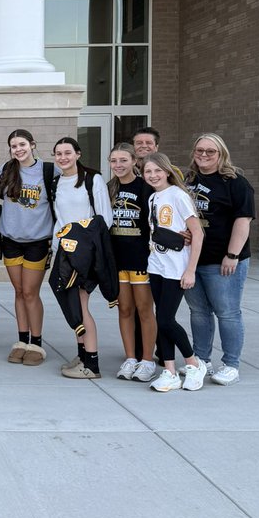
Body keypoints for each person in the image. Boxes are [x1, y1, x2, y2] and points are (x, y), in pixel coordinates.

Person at [183, 133, 256, 384]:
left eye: (210, 151)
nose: (204, 155)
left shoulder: (236, 182)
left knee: (227, 313)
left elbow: (243, 221)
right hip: (193, 259)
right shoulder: (188, 180)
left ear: (221, 154)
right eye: (199, 150)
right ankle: (201, 360)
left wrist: (232, 255)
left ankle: (231, 364)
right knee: (198, 312)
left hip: (223, 260)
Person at [141, 153, 206, 393]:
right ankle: (169, 371)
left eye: (157, 170)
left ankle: (193, 363)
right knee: (161, 319)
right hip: (156, 265)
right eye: (148, 171)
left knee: (166, 319)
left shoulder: (178, 195)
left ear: (167, 171)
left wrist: (190, 270)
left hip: (176, 268)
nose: (153, 175)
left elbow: (197, 233)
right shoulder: (153, 198)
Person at [51, 137, 114, 380]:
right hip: (64, 251)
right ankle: (82, 356)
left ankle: (92, 364)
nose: (63, 157)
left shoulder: (92, 179)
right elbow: (59, 218)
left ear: (78, 154)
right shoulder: (56, 182)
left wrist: (85, 246)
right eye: (58, 153)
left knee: (81, 304)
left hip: (85, 253)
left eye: (68, 152)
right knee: (72, 304)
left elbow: (104, 218)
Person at [0, 129, 56, 367]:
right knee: (19, 291)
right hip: (11, 240)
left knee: (31, 292)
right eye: (14, 146)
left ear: (32, 144)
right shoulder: (6, 170)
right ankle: (22, 340)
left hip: (37, 241)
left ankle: (36, 343)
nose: (18, 149)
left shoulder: (49, 171)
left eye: (22, 144)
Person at [107, 142, 158, 383]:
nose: (118, 165)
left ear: (134, 161)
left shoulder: (146, 187)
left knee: (145, 310)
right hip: (118, 260)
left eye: (123, 160)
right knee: (125, 310)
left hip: (141, 260)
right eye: (114, 161)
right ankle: (130, 358)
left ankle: (147, 360)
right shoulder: (109, 188)